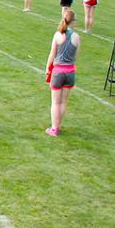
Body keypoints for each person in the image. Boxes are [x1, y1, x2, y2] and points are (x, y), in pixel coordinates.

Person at [44, 8, 80, 136]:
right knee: (64, 101)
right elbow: (75, 57)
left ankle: (54, 128)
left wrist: (48, 68)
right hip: (70, 72)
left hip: (58, 71)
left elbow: (52, 54)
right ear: (73, 22)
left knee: (55, 101)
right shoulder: (76, 37)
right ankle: (58, 125)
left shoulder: (58, 35)